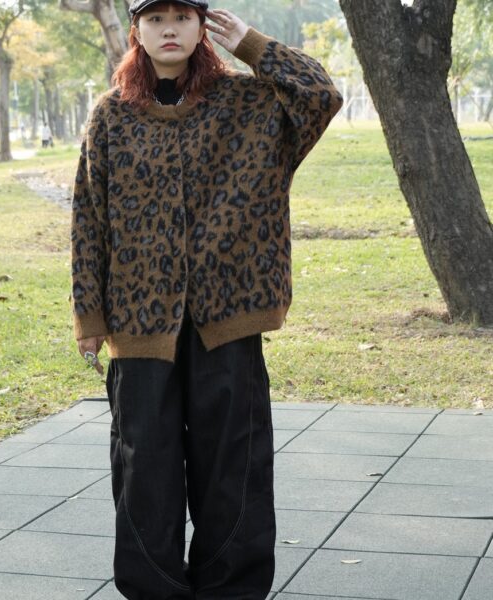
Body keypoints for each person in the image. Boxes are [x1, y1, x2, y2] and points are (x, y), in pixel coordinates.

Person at [70, 1, 342, 598]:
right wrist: (89, 316)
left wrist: (252, 45)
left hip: (229, 316)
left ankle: (232, 589)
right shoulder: (111, 115)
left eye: (183, 16)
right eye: (155, 18)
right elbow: (88, 217)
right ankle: (155, 588)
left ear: (202, 27)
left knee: (234, 466)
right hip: (138, 322)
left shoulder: (250, 104)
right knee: (145, 467)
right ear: (137, 30)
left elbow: (321, 96)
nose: (169, 28)